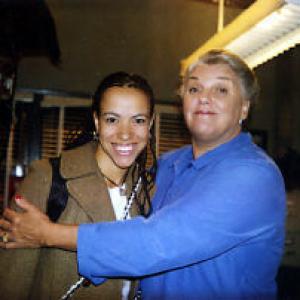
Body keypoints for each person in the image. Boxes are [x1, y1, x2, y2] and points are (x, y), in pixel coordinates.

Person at [0, 50, 286, 300]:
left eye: (221, 90)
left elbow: (156, 242)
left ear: (245, 107)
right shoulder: (166, 167)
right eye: (194, 89)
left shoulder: (253, 176)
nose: (204, 100)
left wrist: (48, 233)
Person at [0, 71, 157, 300]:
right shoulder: (48, 177)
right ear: (96, 121)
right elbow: (10, 282)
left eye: (139, 120)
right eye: (112, 119)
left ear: (151, 123)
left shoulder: (149, 191)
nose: (125, 134)